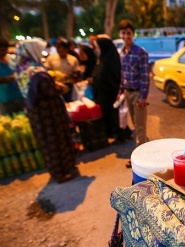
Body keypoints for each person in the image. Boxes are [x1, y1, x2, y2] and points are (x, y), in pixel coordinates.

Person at [15, 39, 79, 183]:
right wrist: (62, 87)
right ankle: (64, 173)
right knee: (56, 141)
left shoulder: (21, 70)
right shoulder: (35, 71)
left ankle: (55, 171)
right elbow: (49, 90)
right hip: (50, 115)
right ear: (32, 50)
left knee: (46, 144)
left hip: (36, 114)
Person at [118, 19, 150, 168]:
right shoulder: (121, 53)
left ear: (133, 34)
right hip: (127, 92)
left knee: (140, 126)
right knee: (136, 125)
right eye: (123, 33)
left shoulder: (140, 52)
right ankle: (145, 151)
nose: (126, 36)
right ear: (120, 34)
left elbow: (145, 75)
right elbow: (122, 74)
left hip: (138, 94)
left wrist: (143, 97)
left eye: (129, 33)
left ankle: (140, 160)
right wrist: (120, 91)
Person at [90, 36, 121, 139]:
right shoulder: (104, 58)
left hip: (109, 94)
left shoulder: (108, 62)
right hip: (104, 94)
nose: (95, 49)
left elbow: (103, 78)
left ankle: (117, 133)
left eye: (96, 47)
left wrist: (94, 79)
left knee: (112, 115)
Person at [0, 38, 24, 115]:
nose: (2, 52)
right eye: (0, 50)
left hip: (19, 95)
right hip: (5, 99)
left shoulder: (11, 59)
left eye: (4, 50)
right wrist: (9, 79)